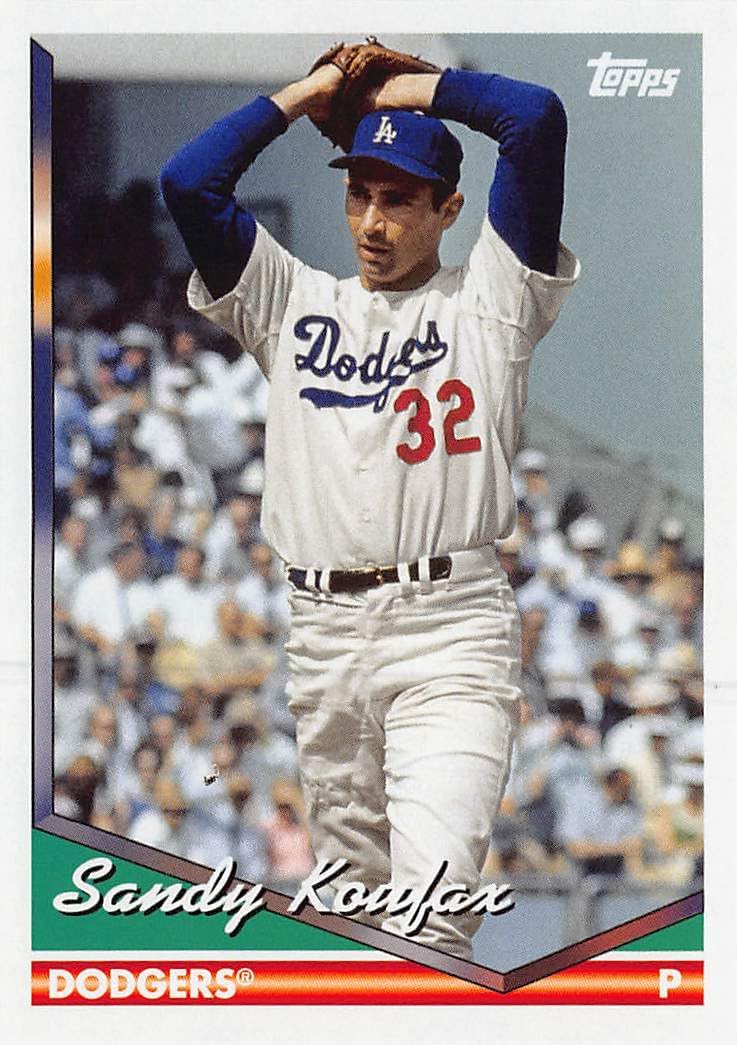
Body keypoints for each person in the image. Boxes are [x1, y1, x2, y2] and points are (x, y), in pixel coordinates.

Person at [161, 48, 579, 959]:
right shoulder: (288, 299)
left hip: (447, 629)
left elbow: (534, 118)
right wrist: (305, 95)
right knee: (355, 922)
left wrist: (405, 91)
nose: (373, 221)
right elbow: (188, 183)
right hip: (322, 636)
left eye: (398, 199)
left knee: (428, 911)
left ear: (448, 209)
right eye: (359, 194)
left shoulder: (492, 297)